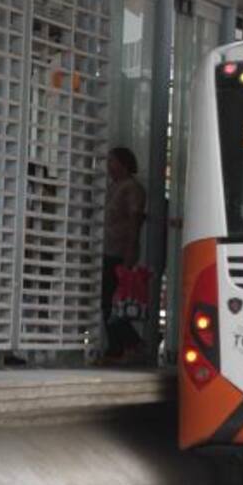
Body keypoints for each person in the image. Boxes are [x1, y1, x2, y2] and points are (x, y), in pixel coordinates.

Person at [102, 146, 147, 361]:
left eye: (112, 161)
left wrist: (131, 249)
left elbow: (134, 220)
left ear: (123, 163)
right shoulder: (114, 186)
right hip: (107, 247)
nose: (108, 166)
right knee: (109, 300)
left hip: (119, 251)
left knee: (112, 300)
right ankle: (120, 345)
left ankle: (128, 344)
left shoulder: (131, 188)